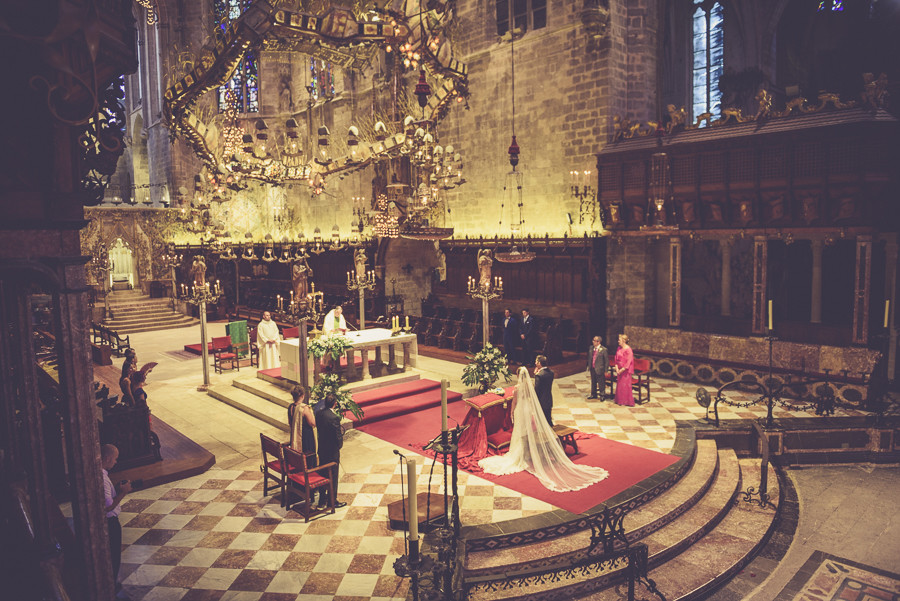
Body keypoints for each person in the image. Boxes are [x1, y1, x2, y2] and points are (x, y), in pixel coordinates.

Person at [479, 367, 609, 492]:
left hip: (520, 411)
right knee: (527, 431)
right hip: (528, 410)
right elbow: (531, 401)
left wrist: (512, 413)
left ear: (518, 376)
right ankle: (527, 451)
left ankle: (522, 453)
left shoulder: (517, 388)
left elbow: (514, 403)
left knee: (520, 432)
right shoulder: (529, 387)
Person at [101, 444, 131, 590]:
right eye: (115, 459)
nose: (115, 462)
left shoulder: (102, 475)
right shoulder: (102, 478)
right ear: (107, 458)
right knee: (113, 556)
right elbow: (108, 506)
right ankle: (111, 587)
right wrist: (123, 492)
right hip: (110, 522)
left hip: (107, 522)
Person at [315, 393, 346, 509]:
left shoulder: (319, 414)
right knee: (333, 475)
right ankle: (332, 500)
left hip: (322, 449)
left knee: (322, 473)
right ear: (335, 404)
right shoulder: (334, 418)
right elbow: (337, 436)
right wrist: (339, 446)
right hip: (332, 451)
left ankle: (322, 500)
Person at [287, 385, 317, 461]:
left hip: (294, 435)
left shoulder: (290, 407)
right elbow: (313, 423)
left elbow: (290, 423)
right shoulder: (304, 408)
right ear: (303, 396)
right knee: (308, 459)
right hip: (305, 438)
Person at [533, 355, 554, 427]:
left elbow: (537, 390)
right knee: (549, 420)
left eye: (536, 361)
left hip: (541, 401)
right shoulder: (551, 373)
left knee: (542, 422)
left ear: (539, 363)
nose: (535, 363)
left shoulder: (539, 375)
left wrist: (536, 375)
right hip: (549, 399)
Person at [614, 334, 635, 406]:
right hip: (619, 369)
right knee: (620, 386)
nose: (618, 341)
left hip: (625, 371)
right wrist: (617, 368)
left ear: (624, 341)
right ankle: (620, 400)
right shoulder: (619, 348)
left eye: (619, 340)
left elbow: (628, 362)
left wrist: (621, 370)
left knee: (625, 386)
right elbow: (616, 358)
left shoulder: (629, 350)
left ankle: (626, 401)